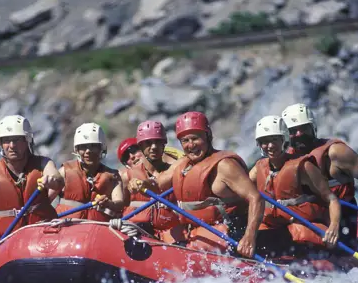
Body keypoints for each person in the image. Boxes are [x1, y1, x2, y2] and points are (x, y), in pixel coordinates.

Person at [132, 111, 264, 258]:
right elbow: (157, 185)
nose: (190, 145)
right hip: (196, 230)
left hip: (229, 232)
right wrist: (143, 183)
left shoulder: (225, 165)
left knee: (190, 250)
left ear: (208, 137)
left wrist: (249, 237)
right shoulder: (182, 164)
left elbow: (255, 198)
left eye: (195, 138)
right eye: (185, 141)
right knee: (168, 240)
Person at [0, 114, 64, 258]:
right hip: (7, 242)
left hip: (44, 238)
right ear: (0, 143)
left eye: (17, 140)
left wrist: (51, 180)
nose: (12, 146)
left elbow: (58, 181)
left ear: (27, 141)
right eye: (6, 140)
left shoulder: (44, 164)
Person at [249, 115, 340, 257]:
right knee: (252, 235)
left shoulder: (303, 166)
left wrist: (334, 226)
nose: (270, 146)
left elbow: (331, 199)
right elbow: (244, 191)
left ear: (283, 139)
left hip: (301, 227)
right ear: (259, 144)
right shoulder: (259, 167)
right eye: (265, 142)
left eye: (274, 140)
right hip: (275, 225)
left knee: (269, 239)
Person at [282, 102, 358, 244]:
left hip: (345, 220)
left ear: (313, 128)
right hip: (315, 219)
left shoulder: (335, 153)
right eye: (293, 131)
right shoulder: (287, 160)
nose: (299, 134)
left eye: (304, 128)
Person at [123, 120, 182, 239]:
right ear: (140, 146)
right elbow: (117, 208)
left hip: (170, 234)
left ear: (164, 144)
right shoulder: (126, 176)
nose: (154, 147)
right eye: (148, 143)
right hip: (137, 233)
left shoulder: (176, 171)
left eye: (158, 142)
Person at [56, 122, 124, 221]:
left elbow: (119, 203)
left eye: (93, 146)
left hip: (97, 229)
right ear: (77, 150)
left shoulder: (113, 176)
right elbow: (46, 200)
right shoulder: (64, 172)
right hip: (67, 227)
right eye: (83, 147)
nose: (88, 151)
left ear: (102, 148)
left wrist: (109, 203)